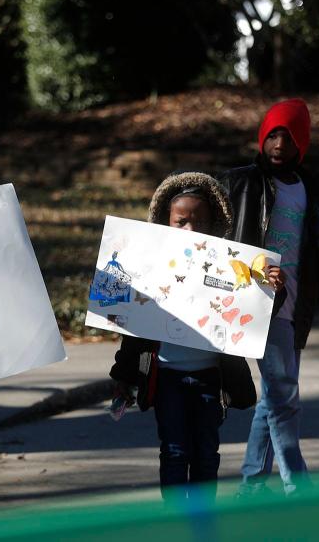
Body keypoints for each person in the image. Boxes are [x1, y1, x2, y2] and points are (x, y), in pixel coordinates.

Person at [221, 98, 319, 496]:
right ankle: (298, 485)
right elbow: (220, 242)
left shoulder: (308, 192)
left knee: (273, 397)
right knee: (285, 398)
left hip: (295, 306)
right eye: (273, 134)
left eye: (289, 136)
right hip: (260, 301)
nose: (280, 143)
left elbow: (311, 253)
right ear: (262, 138)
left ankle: (251, 484)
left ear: (303, 143)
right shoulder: (242, 183)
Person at [108, 171, 256, 501]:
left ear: (213, 223)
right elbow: (134, 331)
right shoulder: (148, 267)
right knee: (174, 452)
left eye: (198, 222)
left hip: (209, 378)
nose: (189, 229)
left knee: (206, 454)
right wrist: (123, 376)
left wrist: (270, 285)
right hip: (167, 379)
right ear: (166, 221)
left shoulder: (230, 269)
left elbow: (255, 313)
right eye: (180, 222)